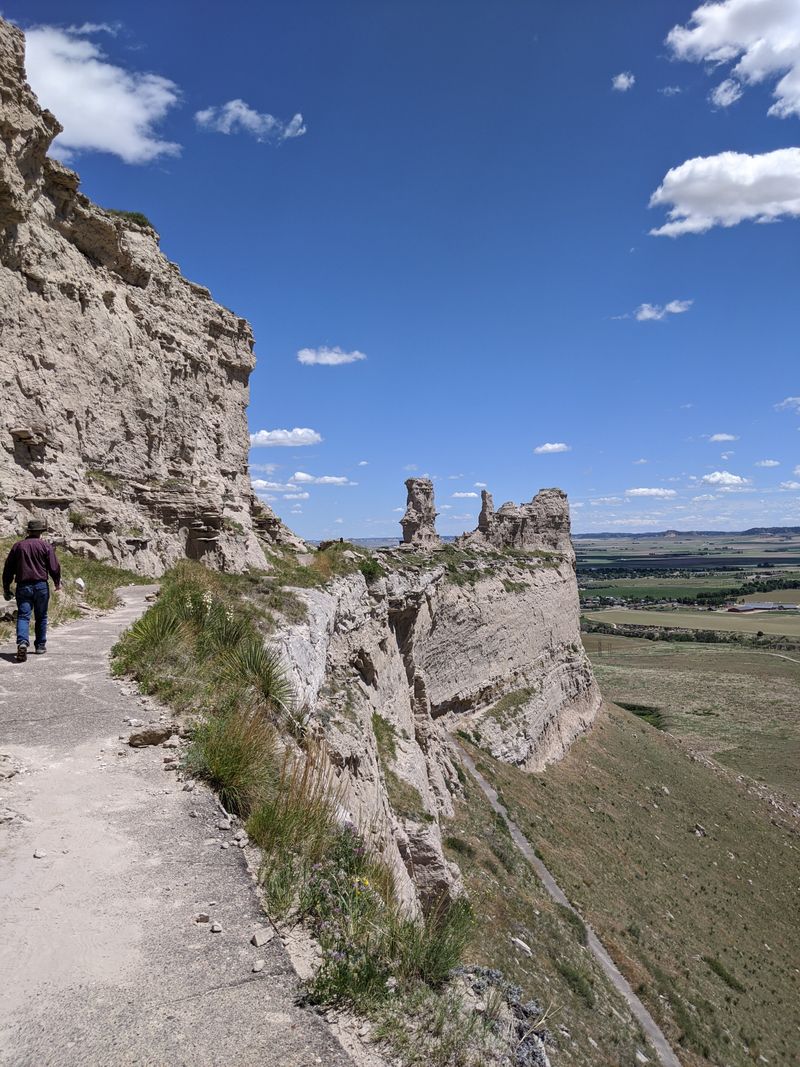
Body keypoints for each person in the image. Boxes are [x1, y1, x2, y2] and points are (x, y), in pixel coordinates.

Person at [3, 518, 62, 662]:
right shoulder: (45, 546)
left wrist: (6, 586)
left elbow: (8, 569)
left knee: (23, 616)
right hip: (41, 585)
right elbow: (54, 567)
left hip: (23, 586)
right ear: (40, 532)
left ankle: (22, 642)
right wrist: (57, 582)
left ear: (28, 531)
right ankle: (40, 645)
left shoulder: (18, 546)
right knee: (41, 616)